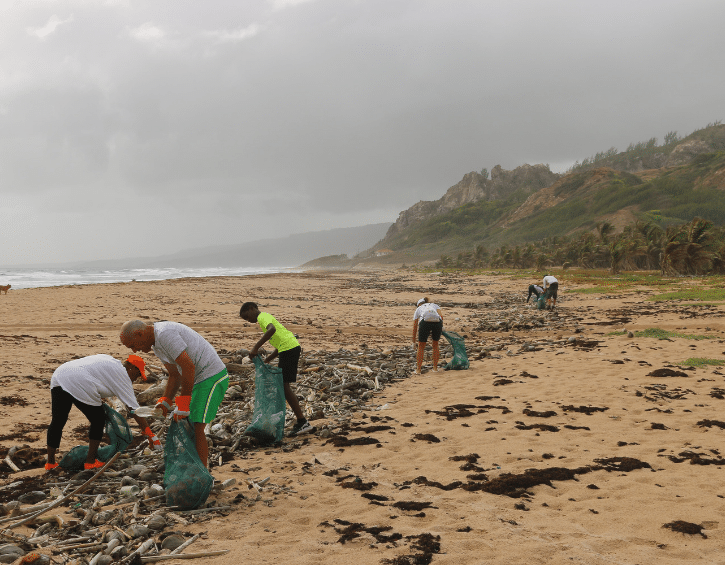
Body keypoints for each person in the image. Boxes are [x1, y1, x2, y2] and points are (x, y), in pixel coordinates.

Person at [120, 320, 229, 467]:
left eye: (133, 345)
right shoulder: (157, 345)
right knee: (189, 424)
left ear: (140, 334)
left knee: (197, 424)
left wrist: (183, 404)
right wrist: (166, 401)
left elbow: (188, 367)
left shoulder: (164, 334)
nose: (134, 351)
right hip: (199, 380)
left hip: (211, 376)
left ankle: (202, 472)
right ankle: (195, 466)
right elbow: (174, 374)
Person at [46, 354, 161, 471]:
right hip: (79, 380)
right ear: (131, 367)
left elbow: (96, 375)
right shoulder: (122, 374)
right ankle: (90, 462)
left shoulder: (110, 361)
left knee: (58, 420)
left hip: (60, 375)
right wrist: (151, 435)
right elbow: (135, 409)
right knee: (98, 420)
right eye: (137, 375)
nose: (136, 379)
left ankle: (50, 463)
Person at [239, 302, 316, 437]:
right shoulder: (264, 319)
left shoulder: (263, 316)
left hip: (290, 349)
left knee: (284, 386)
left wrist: (255, 347)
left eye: (247, 317)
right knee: (284, 385)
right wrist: (269, 359)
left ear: (252, 308)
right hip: (288, 348)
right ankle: (301, 421)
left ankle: (302, 421)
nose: (248, 320)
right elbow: (281, 342)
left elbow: (272, 330)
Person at [412, 297, 444, 375]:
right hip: (437, 322)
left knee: (421, 346)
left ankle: (418, 369)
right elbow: (441, 316)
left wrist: (413, 341)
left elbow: (415, 326)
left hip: (425, 322)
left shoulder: (418, 309)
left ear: (419, 304)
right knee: (435, 344)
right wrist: (441, 326)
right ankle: (435, 368)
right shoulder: (434, 305)